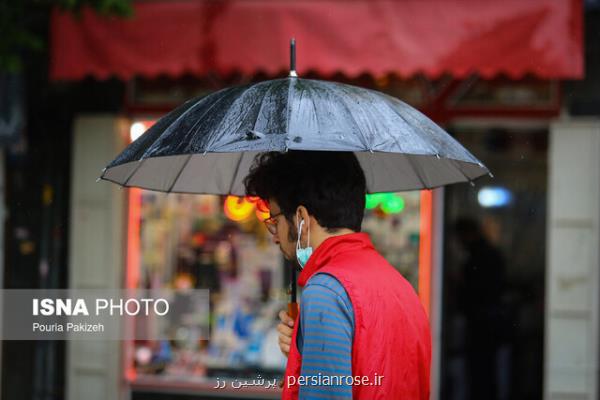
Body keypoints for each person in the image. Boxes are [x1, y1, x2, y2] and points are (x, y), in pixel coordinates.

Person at [244, 151, 431, 399]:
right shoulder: (400, 285)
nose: (275, 235)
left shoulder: (326, 290)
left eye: (275, 221)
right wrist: (305, 355)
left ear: (300, 218)